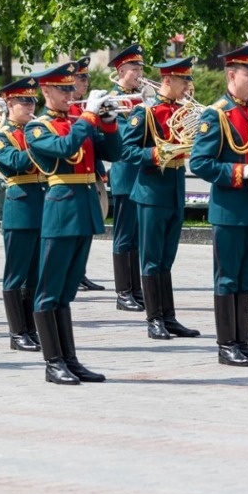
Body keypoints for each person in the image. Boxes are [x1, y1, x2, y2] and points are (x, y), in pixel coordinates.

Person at [26, 62, 122, 385]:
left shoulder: (80, 122)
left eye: (72, 88)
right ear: (46, 91)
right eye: (63, 89)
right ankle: (53, 362)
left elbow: (114, 152)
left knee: (66, 294)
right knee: (48, 292)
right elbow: (65, 149)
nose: (71, 94)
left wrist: (108, 123)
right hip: (60, 212)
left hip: (84, 210)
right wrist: (91, 118)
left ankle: (69, 359)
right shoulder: (36, 128)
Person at [189, 44, 248, 367]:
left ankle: (243, 342)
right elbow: (199, 162)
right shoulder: (217, 114)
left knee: (246, 278)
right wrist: (241, 171)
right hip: (230, 209)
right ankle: (226, 345)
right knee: (227, 278)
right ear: (231, 75)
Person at [120, 57, 201, 340]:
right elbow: (127, 151)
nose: (188, 86)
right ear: (167, 80)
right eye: (183, 80)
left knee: (167, 259)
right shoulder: (146, 113)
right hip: (151, 192)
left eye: (188, 80)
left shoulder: (184, 111)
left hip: (175, 188)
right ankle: (154, 319)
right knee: (152, 259)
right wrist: (157, 154)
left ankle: (169, 316)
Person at [0, 77, 44, 352]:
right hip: (20, 208)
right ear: (10, 103)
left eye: (33, 100)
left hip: (43, 208)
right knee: (16, 275)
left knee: (34, 276)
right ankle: (16, 332)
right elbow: (15, 164)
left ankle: (31, 328)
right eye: (24, 100)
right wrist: (41, 142)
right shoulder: (2, 136)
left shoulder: (35, 131)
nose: (30, 105)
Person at [107, 44, 147, 311]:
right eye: (134, 68)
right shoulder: (113, 101)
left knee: (138, 236)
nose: (139, 73)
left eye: (141, 68)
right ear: (121, 70)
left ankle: (136, 289)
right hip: (125, 173)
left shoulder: (141, 98)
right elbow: (121, 138)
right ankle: (123, 292)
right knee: (124, 235)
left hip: (142, 174)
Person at [67, 56, 107, 292]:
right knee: (74, 232)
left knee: (87, 231)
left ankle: (80, 272)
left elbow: (94, 145)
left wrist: (100, 172)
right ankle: (74, 273)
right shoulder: (70, 112)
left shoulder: (83, 108)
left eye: (86, 77)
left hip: (89, 176)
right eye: (82, 77)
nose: (86, 82)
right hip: (71, 181)